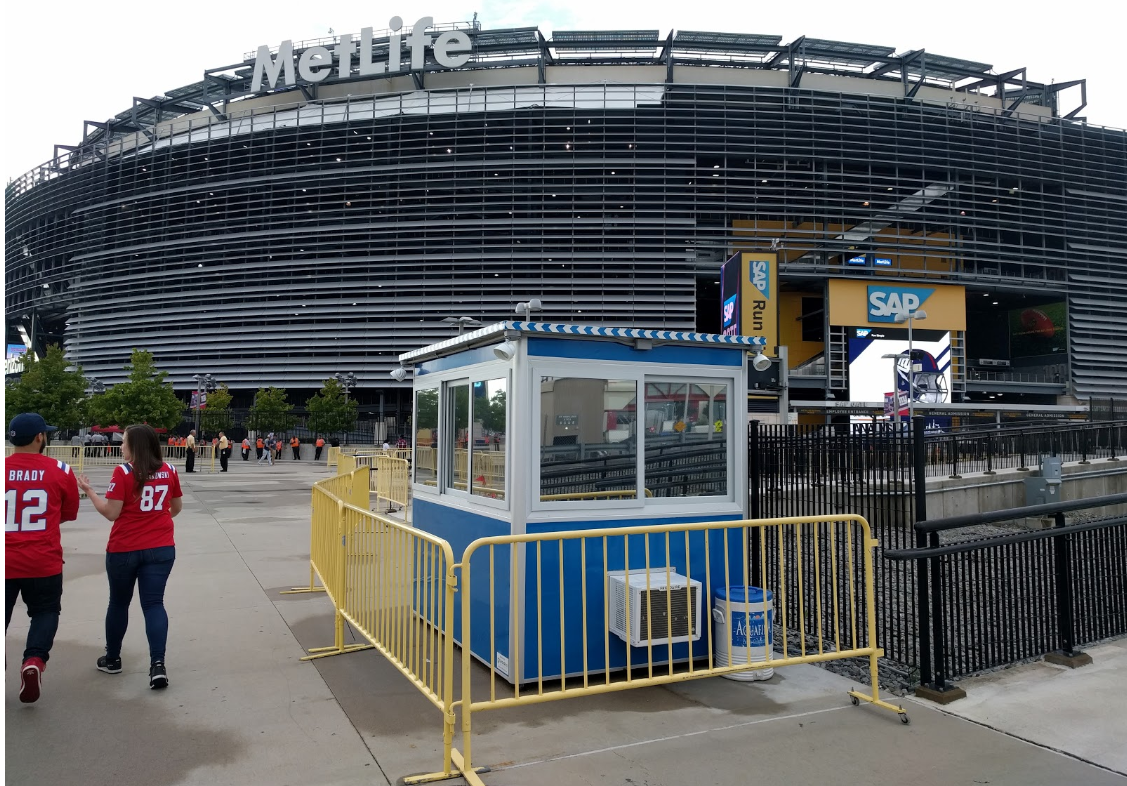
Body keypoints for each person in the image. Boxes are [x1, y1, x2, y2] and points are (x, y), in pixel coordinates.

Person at [76, 424, 182, 690]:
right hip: (160, 548)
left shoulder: (124, 472)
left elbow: (111, 512)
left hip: (124, 548)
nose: (121, 446)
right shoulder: (169, 470)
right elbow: (176, 507)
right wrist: (154, 519)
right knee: (154, 604)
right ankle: (158, 664)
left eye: (124, 442)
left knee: (119, 603)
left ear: (134, 446)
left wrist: (89, 492)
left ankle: (113, 659)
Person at [5, 413, 81, 703]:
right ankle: (34, 661)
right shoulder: (60, 469)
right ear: (40, 437)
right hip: (42, 558)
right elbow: (69, 513)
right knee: (45, 612)